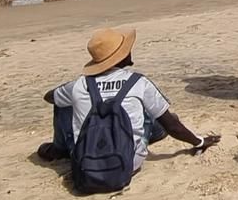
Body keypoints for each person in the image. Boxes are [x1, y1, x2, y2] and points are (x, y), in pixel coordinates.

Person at [36, 28, 219, 170]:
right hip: (128, 163)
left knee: (62, 103)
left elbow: (49, 97)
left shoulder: (80, 85)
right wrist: (200, 141)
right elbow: (172, 126)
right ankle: (146, 135)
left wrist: (78, 94)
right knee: (155, 114)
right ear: (122, 57)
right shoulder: (139, 83)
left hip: (86, 163)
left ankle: (59, 148)